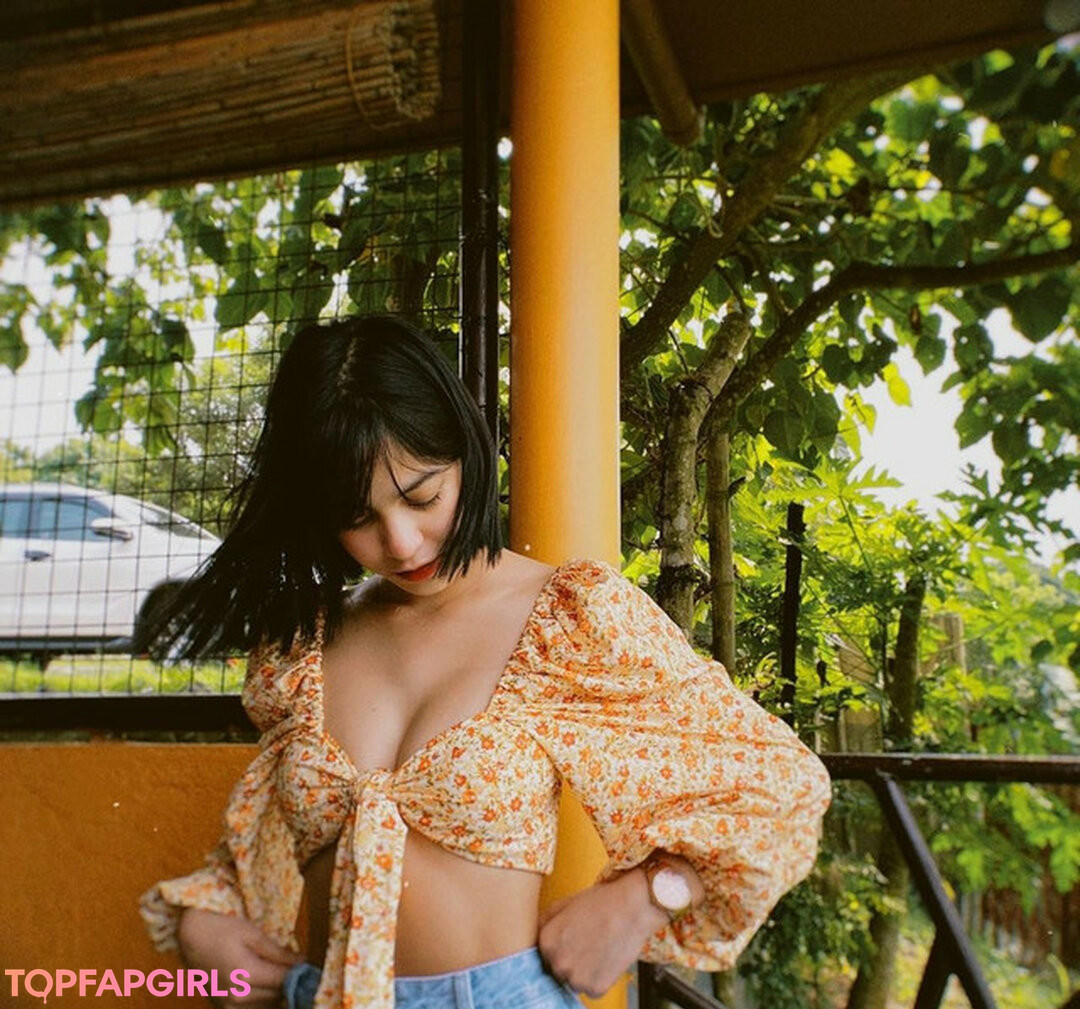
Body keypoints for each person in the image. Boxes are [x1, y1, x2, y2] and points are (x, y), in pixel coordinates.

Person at [140, 315, 832, 1009]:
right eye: (358, 516)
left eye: (422, 495)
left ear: (467, 451)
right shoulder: (302, 650)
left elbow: (779, 784)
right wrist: (204, 923)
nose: (401, 541)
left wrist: (649, 895)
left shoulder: (569, 620)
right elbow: (258, 836)